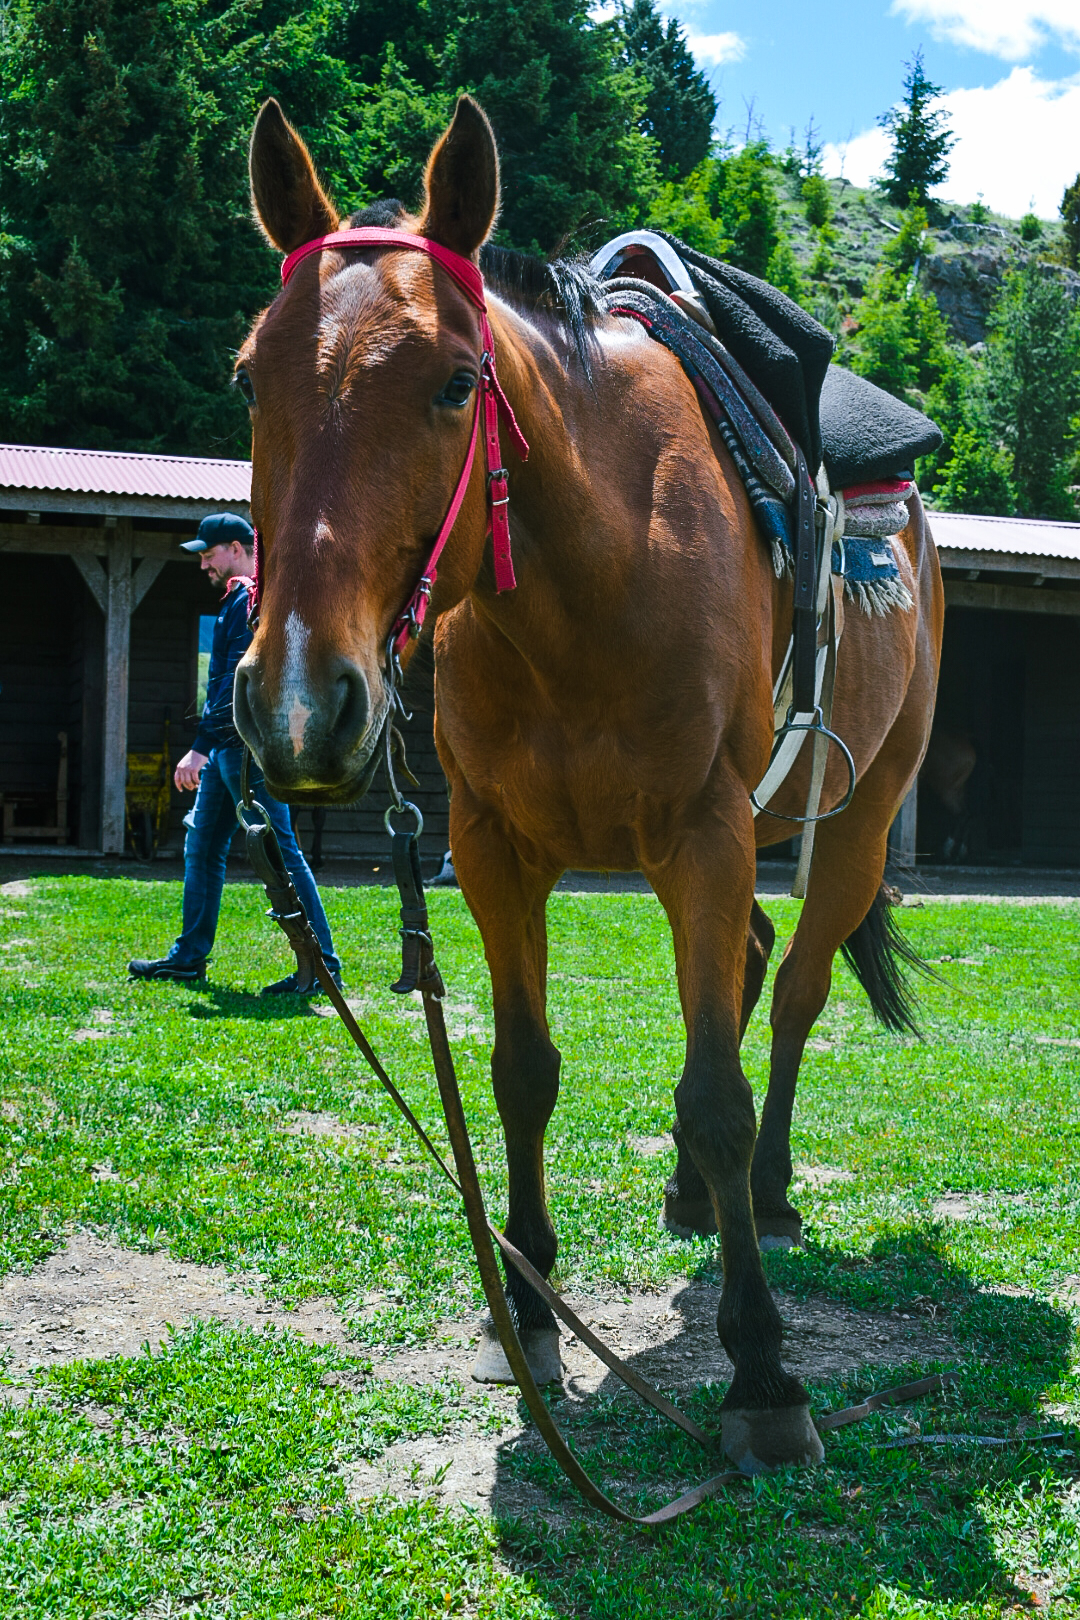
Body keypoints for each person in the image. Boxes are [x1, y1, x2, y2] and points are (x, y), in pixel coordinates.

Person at [128, 514, 343, 992]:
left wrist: (199, 749)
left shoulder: (249, 599)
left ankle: (324, 965)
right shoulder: (234, 602)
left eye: (209, 554)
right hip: (230, 752)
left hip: (245, 752)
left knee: (282, 852)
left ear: (237, 549)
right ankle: (188, 957)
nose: (203, 564)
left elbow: (231, 682)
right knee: (203, 848)